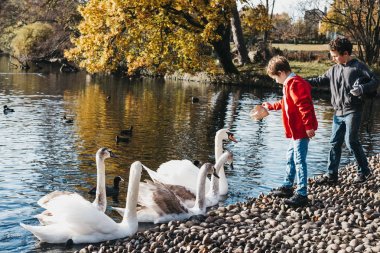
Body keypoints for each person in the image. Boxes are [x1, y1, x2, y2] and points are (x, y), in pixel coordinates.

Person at [308, 37, 379, 185]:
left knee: (351, 141)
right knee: (334, 142)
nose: (332, 58)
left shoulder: (359, 67)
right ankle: (331, 175)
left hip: (353, 110)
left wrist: (362, 89)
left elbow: (375, 80)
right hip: (337, 113)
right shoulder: (333, 69)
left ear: (345, 53)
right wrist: (301, 81)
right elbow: (319, 80)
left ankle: (364, 171)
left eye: (335, 55)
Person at [262, 55, 318, 207]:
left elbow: (304, 105)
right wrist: (271, 106)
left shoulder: (296, 84)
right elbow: (285, 102)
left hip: (301, 131)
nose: (275, 81)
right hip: (296, 132)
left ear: (280, 73)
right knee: (290, 157)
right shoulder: (289, 84)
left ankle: (302, 194)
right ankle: (287, 186)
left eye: (275, 78)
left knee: (299, 161)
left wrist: (308, 126)